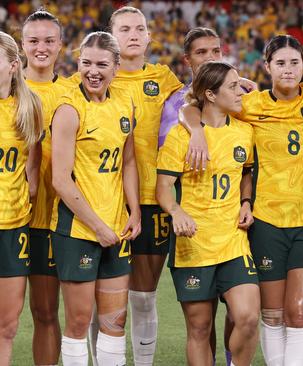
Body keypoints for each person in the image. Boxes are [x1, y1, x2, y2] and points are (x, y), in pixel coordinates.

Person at [180, 34, 303, 366]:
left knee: (301, 313)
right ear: (267, 67)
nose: (288, 70)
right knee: (273, 314)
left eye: (295, 62)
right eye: (280, 63)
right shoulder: (251, 105)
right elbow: (193, 106)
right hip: (266, 222)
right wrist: (196, 131)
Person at [156, 61, 260, 366]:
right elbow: (163, 187)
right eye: (232, 86)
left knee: (248, 317)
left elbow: (246, 173)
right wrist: (175, 211)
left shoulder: (245, 132)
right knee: (200, 329)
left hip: (232, 241)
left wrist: (246, 201)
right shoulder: (179, 136)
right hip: (194, 243)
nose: (240, 91)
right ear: (211, 95)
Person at [96, 7, 183, 366]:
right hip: (104, 199)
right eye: (125, 28)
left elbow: (190, 105)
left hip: (151, 199)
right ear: (112, 35)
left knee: (144, 296)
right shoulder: (97, 75)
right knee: (103, 298)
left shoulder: (163, 78)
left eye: (140, 29)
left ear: (149, 36)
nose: (133, 34)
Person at [50, 31, 140, 366]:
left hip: (117, 229)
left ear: (116, 67)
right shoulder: (69, 109)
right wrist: (99, 226)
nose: (93, 71)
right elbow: (60, 179)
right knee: (77, 321)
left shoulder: (123, 103)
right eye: (86, 63)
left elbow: (128, 161)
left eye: (102, 64)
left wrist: (134, 211)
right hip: (79, 231)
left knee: (114, 322)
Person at [21, 10, 75, 366]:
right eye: (33, 41)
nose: (41, 48)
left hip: (51, 220)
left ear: (60, 44)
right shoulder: (6, 86)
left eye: (48, 40)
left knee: (45, 312)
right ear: (22, 44)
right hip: (7, 217)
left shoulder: (73, 91)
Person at [0, 30, 43, 366]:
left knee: (8, 324)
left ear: (13, 65)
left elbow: (33, 165)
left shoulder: (27, 108)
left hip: (14, 227)